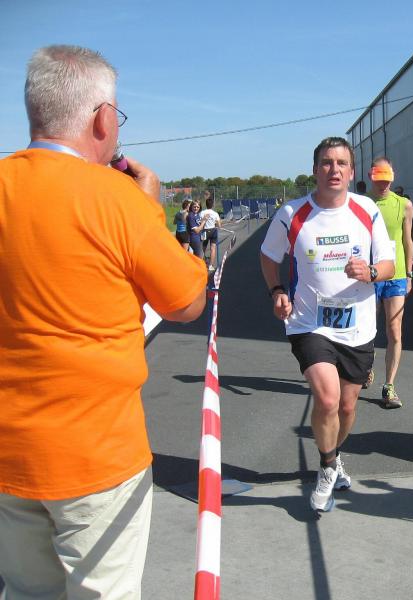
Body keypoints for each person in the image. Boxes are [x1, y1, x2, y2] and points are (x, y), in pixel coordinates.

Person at [0, 45, 207, 598]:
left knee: (24, 590)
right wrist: (149, 210)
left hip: (8, 451)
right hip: (96, 453)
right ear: (103, 118)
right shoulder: (117, 198)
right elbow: (186, 302)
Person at [260, 137, 394, 512]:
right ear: (315, 169)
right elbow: (268, 256)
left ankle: (334, 457)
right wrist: (277, 291)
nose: (334, 169)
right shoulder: (292, 213)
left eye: (341, 163)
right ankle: (327, 466)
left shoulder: (367, 210)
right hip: (309, 323)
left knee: (347, 408)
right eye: (326, 162)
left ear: (351, 172)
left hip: (358, 326)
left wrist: (370, 272)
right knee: (328, 399)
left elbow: (389, 265)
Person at [368, 157, 413, 408]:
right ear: (371, 177)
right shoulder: (362, 203)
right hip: (370, 274)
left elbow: (408, 240)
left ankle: (389, 386)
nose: (383, 184)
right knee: (368, 328)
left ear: (393, 178)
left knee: (394, 329)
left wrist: (409, 274)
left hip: (396, 275)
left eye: (386, 180)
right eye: (379, 180)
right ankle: (366, 366)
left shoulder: (404, 205)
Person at [200, 193, 221, 271]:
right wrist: (216, 223)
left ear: (206, 204)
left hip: (204, 231)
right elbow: (219, 225)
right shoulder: (215, 213)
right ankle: (210, 266)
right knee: (213, 248)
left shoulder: (202, 213)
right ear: (212, 205)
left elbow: (200, 222)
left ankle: (201, 264)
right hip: (213, 231)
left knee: (203, 248)